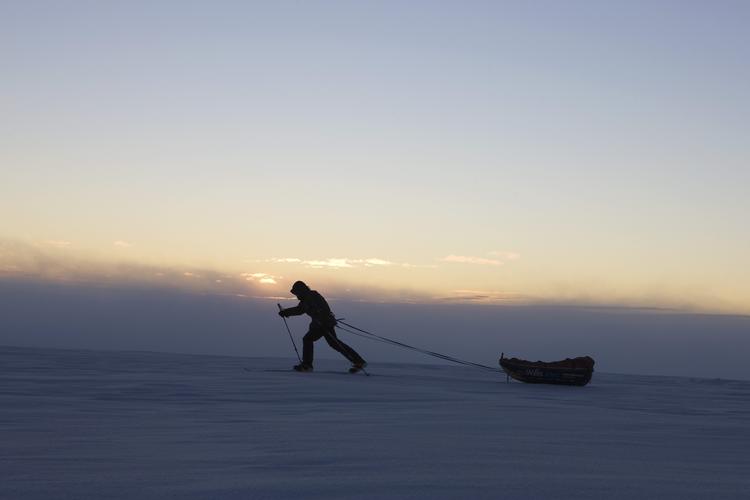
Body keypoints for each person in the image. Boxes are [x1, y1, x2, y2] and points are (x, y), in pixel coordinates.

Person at [278, 280, 366, 372]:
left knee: (308, 339)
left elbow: (321, 309)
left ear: (301, 291)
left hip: (323, 324)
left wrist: (286, 312)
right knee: (334, 343)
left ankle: (307, 365)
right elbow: (300, 309)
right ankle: (358, 361)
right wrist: (286, 312)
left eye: (297, 293)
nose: (296, 295)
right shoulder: (307, 298)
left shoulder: (311, 297)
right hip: (323, 323)